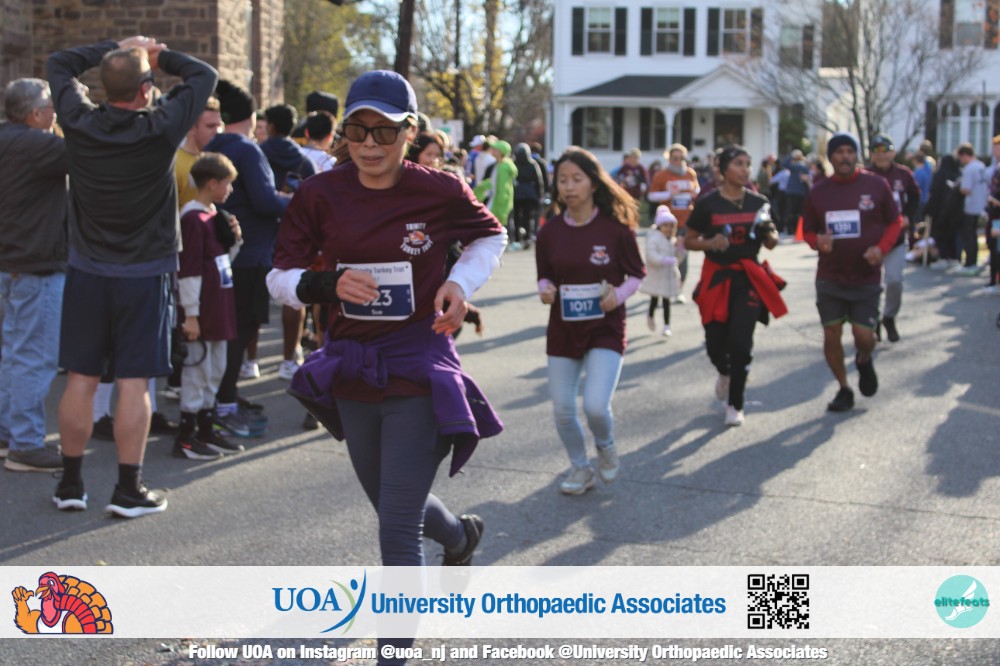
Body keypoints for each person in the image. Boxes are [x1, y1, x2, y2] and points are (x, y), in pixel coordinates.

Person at [266, 70, 505, 665]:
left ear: (410, 132)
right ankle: (459, 535)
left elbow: (492, 237)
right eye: (358, 130)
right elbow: (279, 276)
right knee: (393, 504)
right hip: (353, 366)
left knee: (395, 531)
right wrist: (326, 284)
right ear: (344, 132)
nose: (370, 145)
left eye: (385, 132)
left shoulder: (440, 190)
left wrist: (458, 283)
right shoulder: (320, 193)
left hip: (419, 364)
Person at [47, 35, 217, 516]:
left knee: (80, 378)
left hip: (87, 269)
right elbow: (203, 75)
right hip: (144, 274)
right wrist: (160, 56)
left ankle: (71, 485)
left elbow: (60, 61)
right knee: (133, 383)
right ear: (145, 89)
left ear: (105, 86)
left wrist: (116, 46)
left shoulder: (79, 121)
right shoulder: (160, 128)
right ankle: (127, 488)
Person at [535, 147, 646, 495]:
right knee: (563, 410)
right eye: (562, 180)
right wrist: (545, 289)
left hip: (605, 328)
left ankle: (606, 446)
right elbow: (544, 275)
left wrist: (618, 296)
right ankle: (580, 468)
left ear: (594, 184)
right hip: (563, 328)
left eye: (577, 179)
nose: (569, 187)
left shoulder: (616, 231)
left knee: (596, 406)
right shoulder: (549, 232)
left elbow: (637, 274)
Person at [205, 79, 290, 436]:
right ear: (252, 117)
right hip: (249, 252)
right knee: (240, 331)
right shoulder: (246, 149)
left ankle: (221, 398)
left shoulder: (212, 143)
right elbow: (265, 201)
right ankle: (224, 403)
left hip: (221, 253)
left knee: (227, 332)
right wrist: (296, 200)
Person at [684, 145, 787, 427]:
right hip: (717, 278)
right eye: (738, 163)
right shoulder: (708, 204)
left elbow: (771, 239)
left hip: (748, 277)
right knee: (715, 343)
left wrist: (771, 236)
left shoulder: (759, 202)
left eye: (748, 164)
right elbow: (688, 240)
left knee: (741, 342)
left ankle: (735, 403)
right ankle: (725, 372)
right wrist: (710, 243)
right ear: (723, 168)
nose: (745, 169)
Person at [801, 132, 901, 413]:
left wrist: (881, 249)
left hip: (866, 275)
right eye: (839, 152)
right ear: (830, 157)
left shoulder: (876, 184)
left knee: (863, 337)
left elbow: (895, 222)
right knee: (831, 334)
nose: (845, 156)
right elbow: (807, 230)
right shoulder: (818, 191)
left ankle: (864, 359)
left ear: (856, 155)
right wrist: (817, 241)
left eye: (850, 151)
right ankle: (844, 388)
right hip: (830, 276)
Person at [0, 78, 67, 472]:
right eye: (51, 107)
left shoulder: (8, 138)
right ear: (35, 113)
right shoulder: (39, 145)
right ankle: (25, 443)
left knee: (13, 353)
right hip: (35, 263)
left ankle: (8, 433)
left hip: (11, 261)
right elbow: (89, 151)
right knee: (34, 357)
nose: (56, 112)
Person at [175, 152, 245, 460]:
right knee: (198, 371)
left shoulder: (211, 215)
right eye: (227, 183)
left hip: (219, 307)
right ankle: (187, 437)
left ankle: (205, 429)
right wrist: (190, 314)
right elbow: (189, 270)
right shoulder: (192, 219)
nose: (230, 189)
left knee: (215, 370)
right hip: (202, 311)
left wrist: (235, 240)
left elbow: (220, 263)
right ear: (212, 183)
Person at [866, 134, 920, 343]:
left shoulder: (903, 174)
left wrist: (909, 217)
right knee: (870, 284)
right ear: (871, 154)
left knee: (895, 281)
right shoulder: (865, 175)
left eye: (885, 150)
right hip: (871, 240)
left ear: (893, 152)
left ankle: (889, 316)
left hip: (896, 239)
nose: (881, 155)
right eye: (876, 151)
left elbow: (915, 197)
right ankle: (873, 320)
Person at [648, 143, 700, 301]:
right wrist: (668, 194)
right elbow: (651, 196)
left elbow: (697, 190)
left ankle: (678, 290)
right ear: (669, 159)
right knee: (665, 255)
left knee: (682, 256)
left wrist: (693, 193)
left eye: (681, 158)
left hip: (685, 222)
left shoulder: (690, 173)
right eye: (675, 158)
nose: (678, 161)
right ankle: (661, 287)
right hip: (667, 223)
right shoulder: (661, 175)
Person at [639, 206, 686, 337]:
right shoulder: (654, 239)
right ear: (659, 226)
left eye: (671, 226)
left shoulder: (673, 241)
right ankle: (650, 315)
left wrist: (681, 249)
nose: (668, 228)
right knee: (654, 299)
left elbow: (678, 259)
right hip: (656, 275)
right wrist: (663, 260)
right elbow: (651, 256)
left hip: (668, 277)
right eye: (665, 225)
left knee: (666, 301)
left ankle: (666, 326)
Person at [925, 153, 963, 268]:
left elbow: (934, 194)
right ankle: (954, 257)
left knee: (940, 235)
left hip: (939, 212)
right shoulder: (958, 174)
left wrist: (928, 209)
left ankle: (943, 257)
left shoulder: (939, 175)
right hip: (955, 212)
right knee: (953, 236)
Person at [955, 143, 988, 276]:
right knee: (975, 235)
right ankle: (973, 262)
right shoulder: (981, 166)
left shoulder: (969, 169)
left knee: (969, 236)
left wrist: (957, 188)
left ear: (964, 155)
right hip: (982, 205)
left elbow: (966, 189)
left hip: (971, 206)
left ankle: (970, 263)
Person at [512, 142, 545, 248]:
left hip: (516, 193)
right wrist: (540, 195)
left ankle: (517, 238)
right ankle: (527, 238)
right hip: (529, 194)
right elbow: (539, 181)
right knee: (528, 216)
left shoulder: (514, 164)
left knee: (516, 217)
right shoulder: (532, 164)